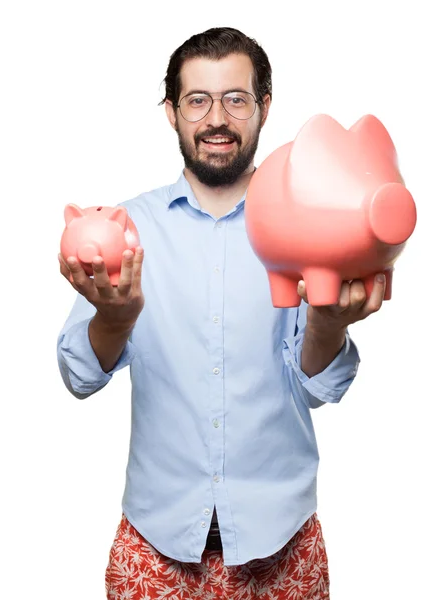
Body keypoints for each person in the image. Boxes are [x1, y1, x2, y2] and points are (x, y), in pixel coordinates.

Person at [57, 27, 386, 600]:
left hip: (282, 541)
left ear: (264, 107)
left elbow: (317, 387)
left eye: (236, 99)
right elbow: (78, 377)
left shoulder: (306, 227)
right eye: (197, 100)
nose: (217, 119)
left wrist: (329, 324)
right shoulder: (125, 228)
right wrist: (112, 321)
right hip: (155, 545)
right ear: (171, 111)